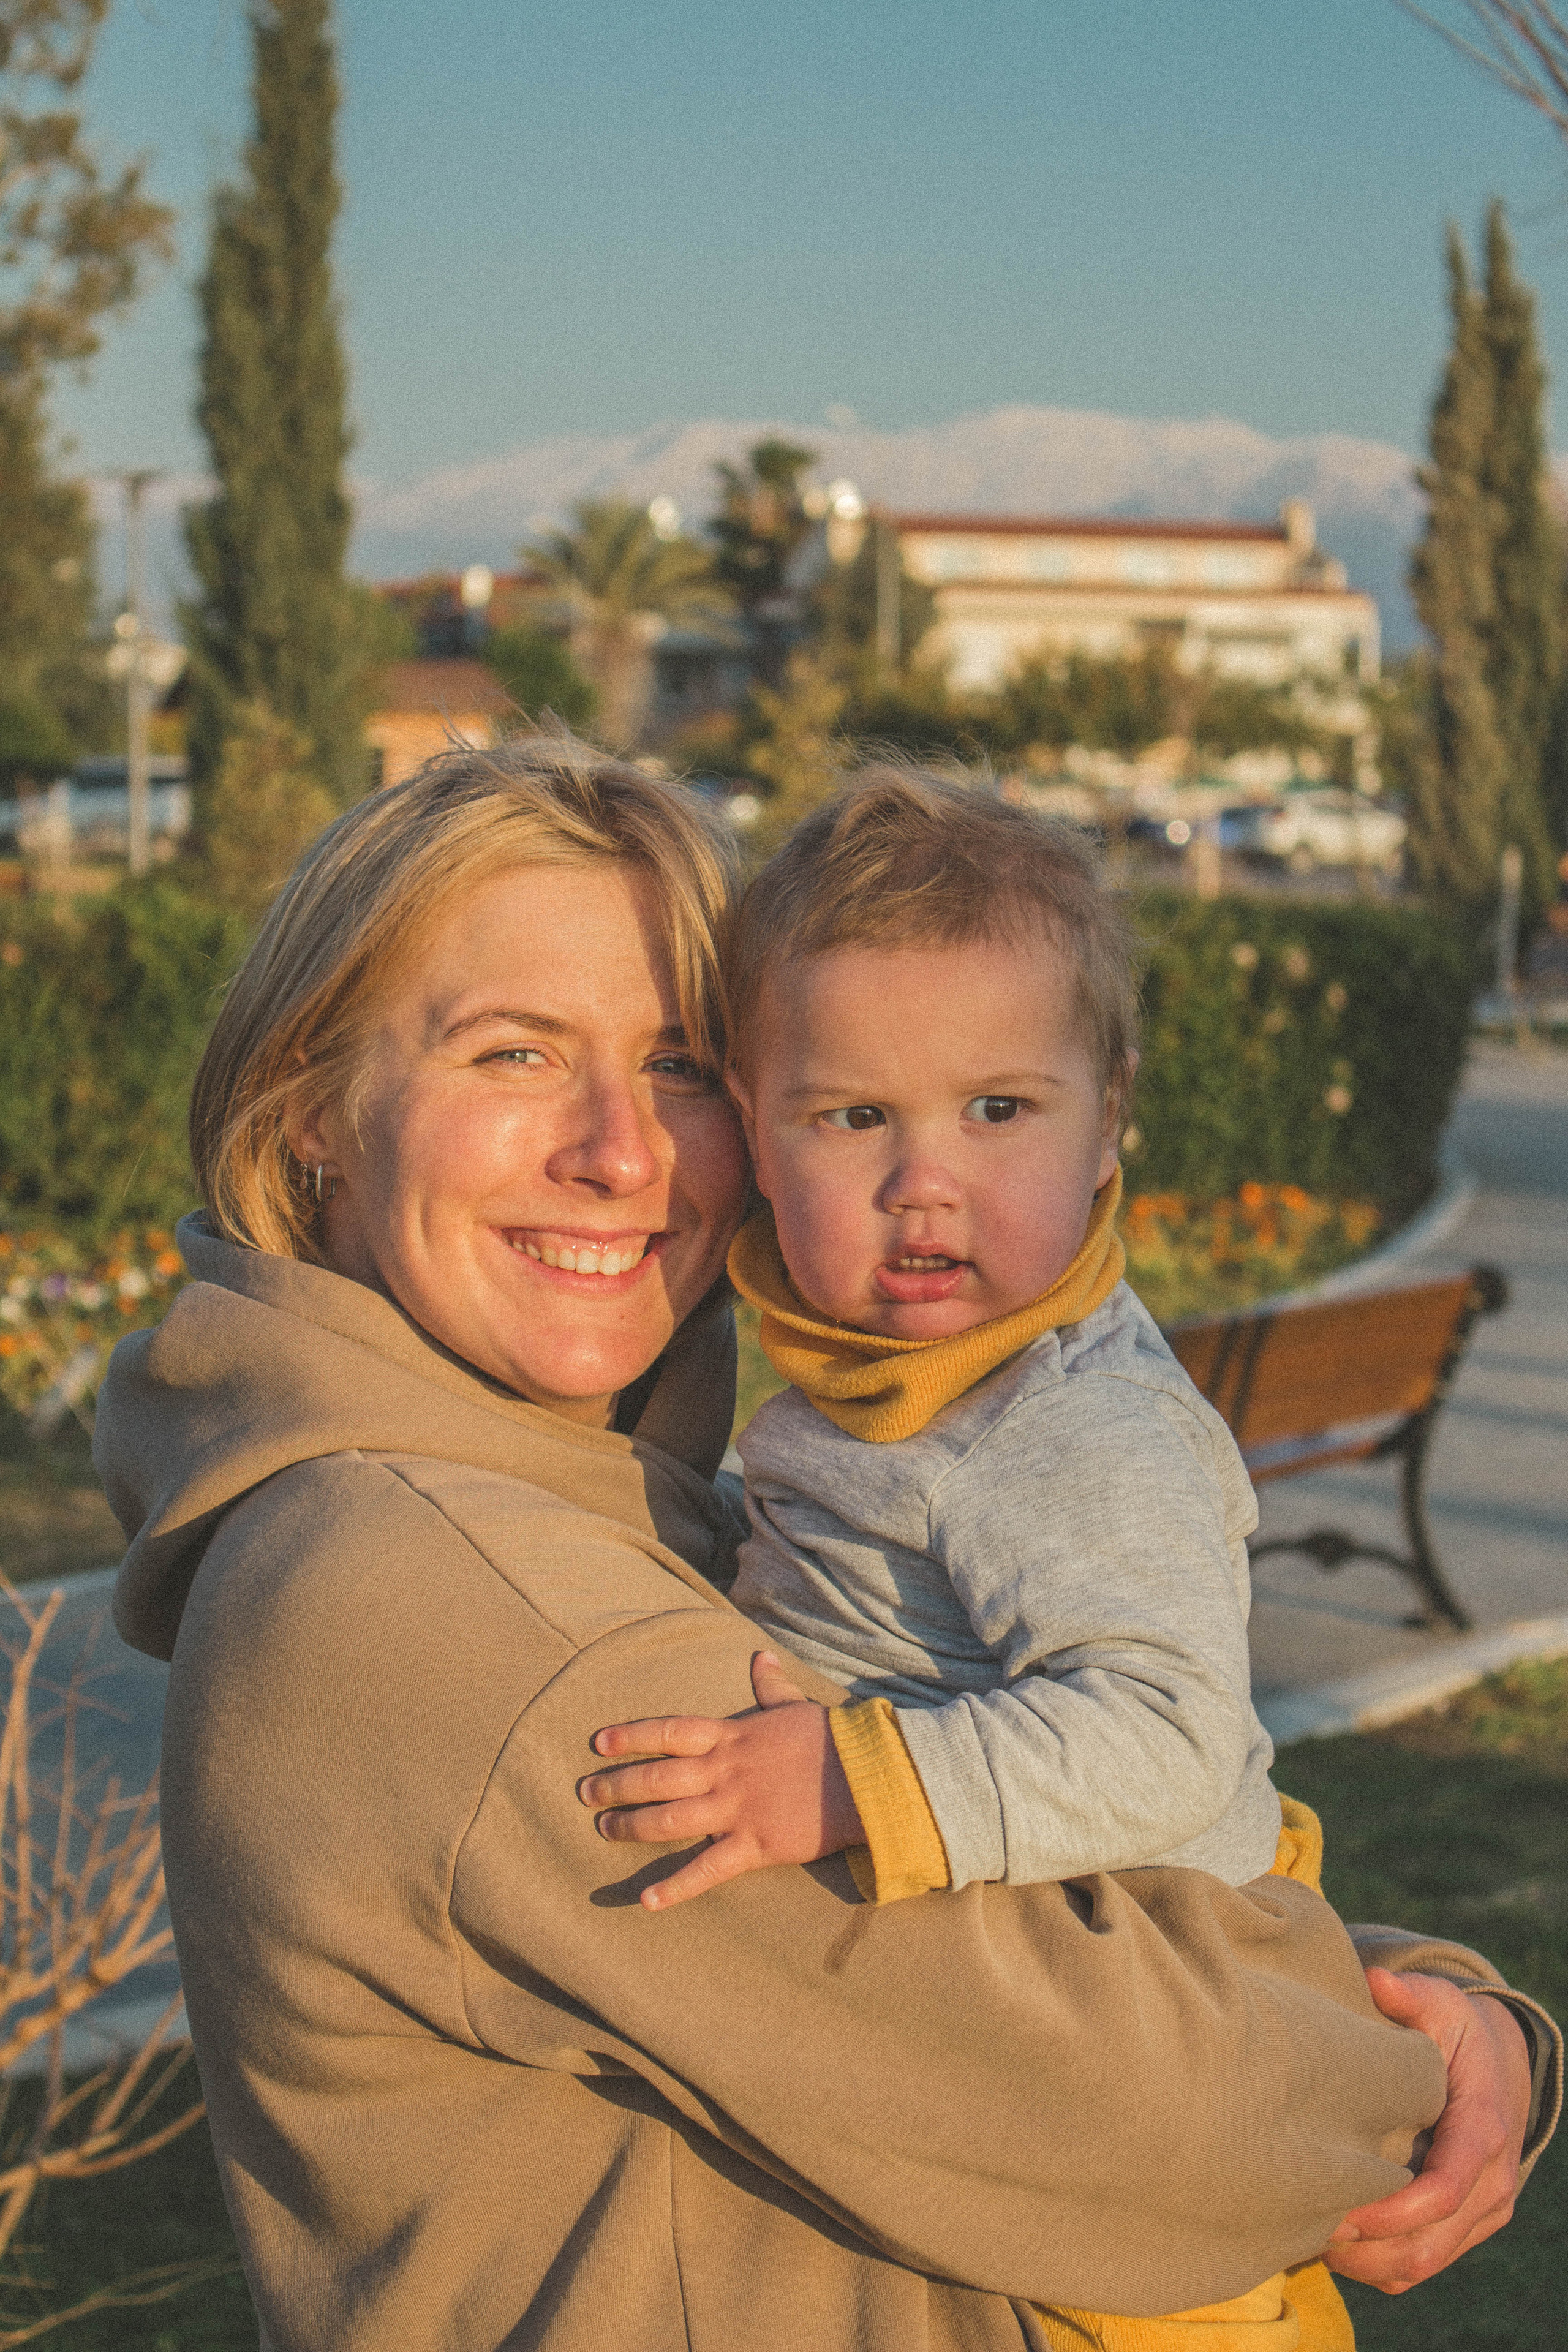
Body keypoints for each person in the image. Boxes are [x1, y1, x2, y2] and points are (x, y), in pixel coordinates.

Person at [96, 740, 1556, 2351]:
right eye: (513, 1055)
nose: (625, 1152)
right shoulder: (461, 1605)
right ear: (308, 1108)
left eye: (683, 1066)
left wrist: (1415, 1981)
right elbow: (1178, 2117)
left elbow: (1038, 1926)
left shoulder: (570, 1496)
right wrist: (1429, 2054)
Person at [571, 766, 1537, 2348]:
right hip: (1044, 2089)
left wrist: (852, 1785)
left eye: (997, 1111)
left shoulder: (1068, 1430)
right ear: (755, 1125)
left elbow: (1164, 1736)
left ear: (1110, 1131)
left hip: (1163, 2161)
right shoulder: (885, 1378)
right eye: (853, 1115)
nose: (923, 1178)